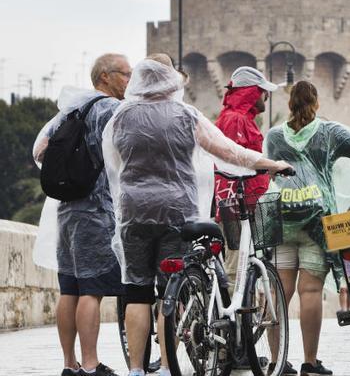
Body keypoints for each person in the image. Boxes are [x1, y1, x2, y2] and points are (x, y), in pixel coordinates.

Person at [101, 59, 292, 376]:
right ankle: (165, 366)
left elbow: (113, 165)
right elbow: (229, 152)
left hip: (134, 213)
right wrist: (271, 164)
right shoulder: (185, 115)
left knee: (136, 291)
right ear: (171, 83)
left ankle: (135, 369)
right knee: (168, 292)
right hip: (176, 213)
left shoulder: (121, 118)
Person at [264, 80, 350, 376]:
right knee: (309, 291)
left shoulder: (273, 136)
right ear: (316, 103)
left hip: (281, 217)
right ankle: (310, 362)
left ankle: (277, 361)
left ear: (290, 105)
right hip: (316, 219)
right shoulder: (330, 132)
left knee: (279, 291)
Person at [33, 53, 131, 376]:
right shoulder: (109, 110)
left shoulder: (72, 108)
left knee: (69, 289)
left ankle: (69, 364)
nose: (130, 81)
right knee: (91, 289)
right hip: (96, 211)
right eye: (126, 74)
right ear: (105, 76)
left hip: (67, 211)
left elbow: (40, 150)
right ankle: (90, 365)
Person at [214, 66, 278, 287]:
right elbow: (233, 158)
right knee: (235, 267)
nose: (266, 97)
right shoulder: (236, 120)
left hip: (243, 204)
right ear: (252, 92)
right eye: (263, 91)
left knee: (241, 264)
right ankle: (233, 319)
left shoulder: (240, 119)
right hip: (234, 204)